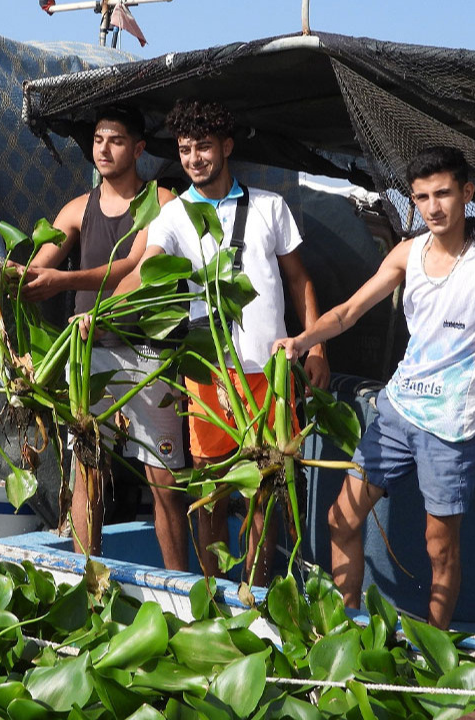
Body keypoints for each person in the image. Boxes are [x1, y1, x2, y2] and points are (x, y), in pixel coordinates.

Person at [273, 146, 475, 628]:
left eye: (443, 193)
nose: (433, 207)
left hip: (451, 427)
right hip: (396, 413)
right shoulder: (407, 252)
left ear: (465, 193)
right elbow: (348, 312)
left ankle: (433, 651)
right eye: (422, 197)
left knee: (439, 548)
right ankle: (348, 625)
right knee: (341, 520)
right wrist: (302, 339)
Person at [114, 98, 329, 585]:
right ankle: (213, 594)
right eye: (186, 150)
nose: (194, 159)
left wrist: (316, 347)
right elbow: (145, 269)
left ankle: (252, 594)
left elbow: (300, 282)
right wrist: (99, 312)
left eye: (204, 148)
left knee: (262, 489)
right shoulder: (173, 215)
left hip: (268, 373)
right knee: (210, 489)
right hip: (208, 372)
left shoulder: (272, 207)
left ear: (227, 147)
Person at [19, 105, 187, 569]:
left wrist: (67, 286)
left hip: (147, 355)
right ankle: (88, 584)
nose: (104, 149)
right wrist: (6, 277)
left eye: (114, 140)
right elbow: (40, 268)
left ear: (138, 148)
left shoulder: (164, 201)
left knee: (164, 482)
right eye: (97, 139)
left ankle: (181, 585)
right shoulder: (77, 208)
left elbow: (135, 268)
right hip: (88, 356)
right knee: (88, 471)